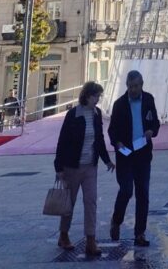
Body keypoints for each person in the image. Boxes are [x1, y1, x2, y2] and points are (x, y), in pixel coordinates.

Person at [54, 81, 115, 256]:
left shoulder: (96, 114)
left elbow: (99, 139)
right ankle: (63, 235)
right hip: (72, 166)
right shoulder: (74, 114)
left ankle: (90, 240)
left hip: (90, 167)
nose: (98, 99)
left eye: (99, 96)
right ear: (87, 96)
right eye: (96, 96)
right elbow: (63, 141)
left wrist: (107, 161)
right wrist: (59, 167)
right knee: (69, 203)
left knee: (91, 202)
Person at [108, 70, 160, 248]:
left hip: (143, 154)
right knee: (126, 190)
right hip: (125, 155)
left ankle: (140, 233)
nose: (133, 90)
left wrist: (151, 131)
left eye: (136, 86)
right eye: (130, 87)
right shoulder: (119, 104)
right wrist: (118, 143)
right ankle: (116, 220)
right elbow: (112, 130)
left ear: (142, 84)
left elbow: (155, 122)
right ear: (127, 86)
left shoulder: (148, 100)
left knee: (143, 194)